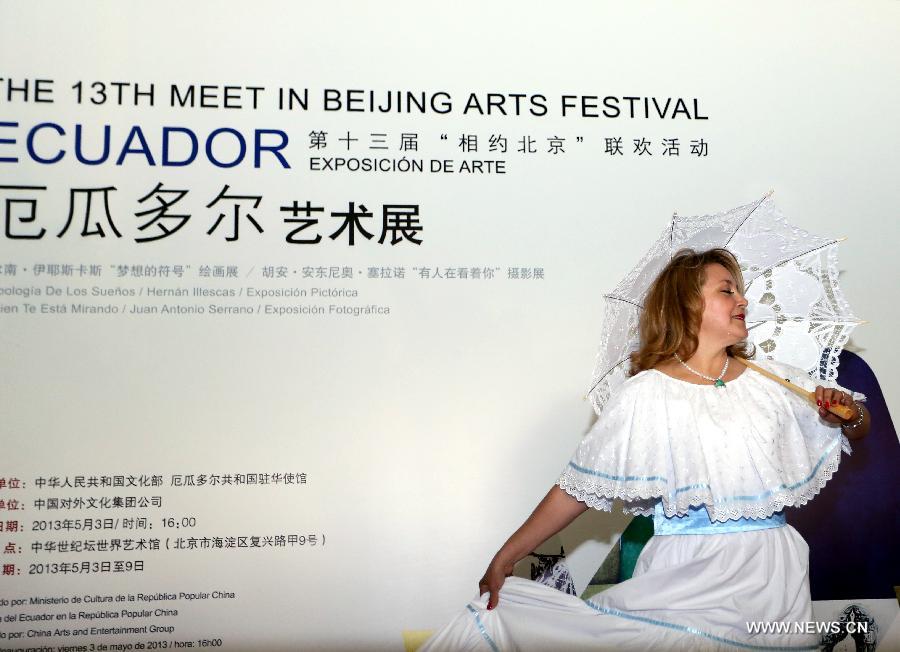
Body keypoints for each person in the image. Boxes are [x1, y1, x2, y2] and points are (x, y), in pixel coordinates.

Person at [420, 248, 870, 652]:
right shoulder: (646, 394)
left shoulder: (774, 380)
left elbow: (858, 426)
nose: (743, 301)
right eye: (727, 290)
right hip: (689, 576)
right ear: (686, 304)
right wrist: (507, 554)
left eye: (740, 291)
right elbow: (577, 489)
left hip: (774, 578)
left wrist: (847, 415)